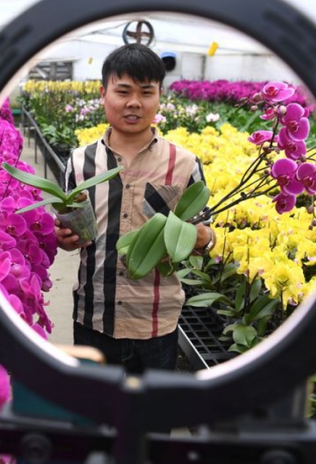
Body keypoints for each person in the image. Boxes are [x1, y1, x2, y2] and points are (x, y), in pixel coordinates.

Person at [57, 43, 214, 374]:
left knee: (153, 409)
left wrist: (201, 238)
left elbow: (207, 234)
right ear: (103, 94)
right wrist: (64, 238)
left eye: (146, 92)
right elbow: (71, 230)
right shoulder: (79, 162)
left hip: (156, 323)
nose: (134, 102)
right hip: (93, 317)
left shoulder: (185, 164)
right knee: (91, 407)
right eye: (123, 91)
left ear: (159, 97)